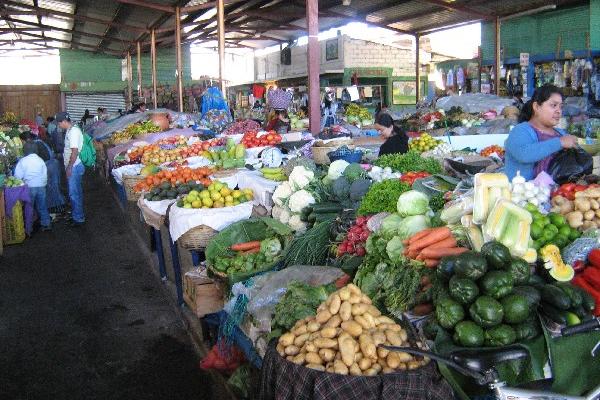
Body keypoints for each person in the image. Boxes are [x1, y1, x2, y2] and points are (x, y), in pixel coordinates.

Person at [504, 84, 578, 180]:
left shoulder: (561, 134)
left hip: (559, 193)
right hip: (524, 193)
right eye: (553, 105)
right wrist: (560, 142)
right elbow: (524, 154)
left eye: (561, 107)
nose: (558, 111)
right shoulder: (520, 131)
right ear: (536, 107)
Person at [56, 112, 85, 226]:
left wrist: (69, 167)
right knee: (76, 192)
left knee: (74, 193)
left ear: (64, 121)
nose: (59, 125)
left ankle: (78, 218)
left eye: (59, 123)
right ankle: (77, 214)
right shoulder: (71, 129)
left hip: (75, 166)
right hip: (75, 165)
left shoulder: (73, 132)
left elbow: (74, 151)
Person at [14, 142, 51, 231]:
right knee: (42, 206)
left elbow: (17, 177)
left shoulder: (23, 161)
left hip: (29, 187)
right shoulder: (40, 159)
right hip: (41, 186)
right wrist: (44, 184)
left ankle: (29, 229)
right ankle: (46, 224)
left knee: (29, 207)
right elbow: (45, 174)